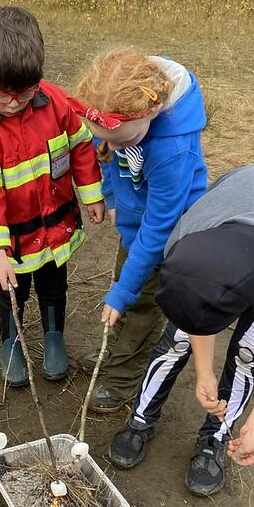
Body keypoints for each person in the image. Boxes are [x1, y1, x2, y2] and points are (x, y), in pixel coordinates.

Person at [108, 164, 254, 495]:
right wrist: (204, 374)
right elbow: (195, 317)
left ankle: (216, 437)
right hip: (238, 204)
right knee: (177, 339)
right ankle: (142, 419)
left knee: (249, 349)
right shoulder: (185, 237)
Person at [0, 6, 106, 387]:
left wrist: (92, 193)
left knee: (54, 284)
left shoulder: (56, 102)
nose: (14, 104)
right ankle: (11, 344)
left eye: (25, 94)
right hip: (16, 238)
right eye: (1, 96)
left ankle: (53, 337)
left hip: (55, 225)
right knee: (13, 291)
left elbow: (81, 147)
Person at [71, 48, 207, 413]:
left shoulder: (171, 151)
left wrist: (123, 291)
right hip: (135, 226)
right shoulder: (116, 123)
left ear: (149, 112)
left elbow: (159, 229)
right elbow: (107, 154)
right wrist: (113, 197)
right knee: (125, 285)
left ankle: (120, 379)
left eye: (124, 141)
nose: (113, 146)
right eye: (105, 137)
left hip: (166, 239)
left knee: (142, 302)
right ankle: (114, 351)